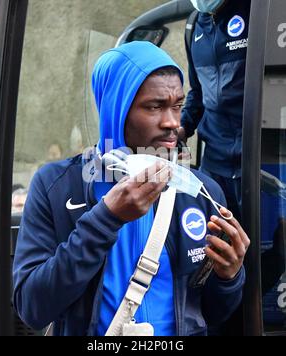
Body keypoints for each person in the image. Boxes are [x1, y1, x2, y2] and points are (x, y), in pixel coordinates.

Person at [13, 41, 250, 336]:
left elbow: (212, 314)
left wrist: (229, 277)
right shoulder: (56, 185)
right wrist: (105, 219)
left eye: (177, 106)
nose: (173, 123)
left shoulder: (200, 191)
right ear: (117, 107)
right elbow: (32, 308)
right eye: (155, 106)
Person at [181, 0, 251, 221]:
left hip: (256, 160)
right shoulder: (194, 27)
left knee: (263, 248)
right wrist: (182, 127)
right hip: (213, 163)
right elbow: (198, 92)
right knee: (215, 244)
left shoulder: (255, 10)